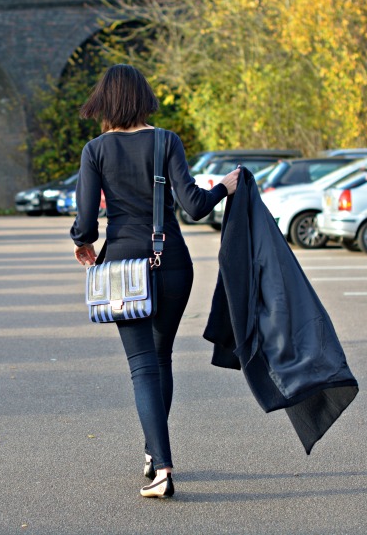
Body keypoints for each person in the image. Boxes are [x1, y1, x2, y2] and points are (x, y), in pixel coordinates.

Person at [70, 64, 240, 499]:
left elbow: (87, 220)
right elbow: (195, 206)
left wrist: (82, 242)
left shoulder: (96, 150)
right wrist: (224, 186)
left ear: (105, 103)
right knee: (161, 358)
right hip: (174, 264)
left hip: (125, 267)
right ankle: (153, 452)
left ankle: (162, 466)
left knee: (143, 365)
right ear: (144, 97)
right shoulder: (167, 141)